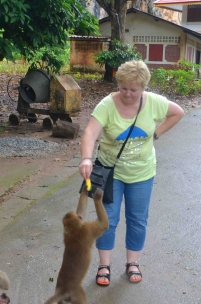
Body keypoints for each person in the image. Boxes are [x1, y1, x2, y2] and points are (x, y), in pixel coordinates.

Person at [79, 60, 184, 285]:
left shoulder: (154, 103)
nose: (127, 94)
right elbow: (90, 132)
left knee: (137, 219)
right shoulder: (107, 105)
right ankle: (104, 265)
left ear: (143, 87)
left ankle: (132, 262)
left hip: (142, 172)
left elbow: (178, 112)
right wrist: (87, 158)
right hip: (111, 172)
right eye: (123, 88)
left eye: (133, 90)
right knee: (108, 218)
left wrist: (156, 134)